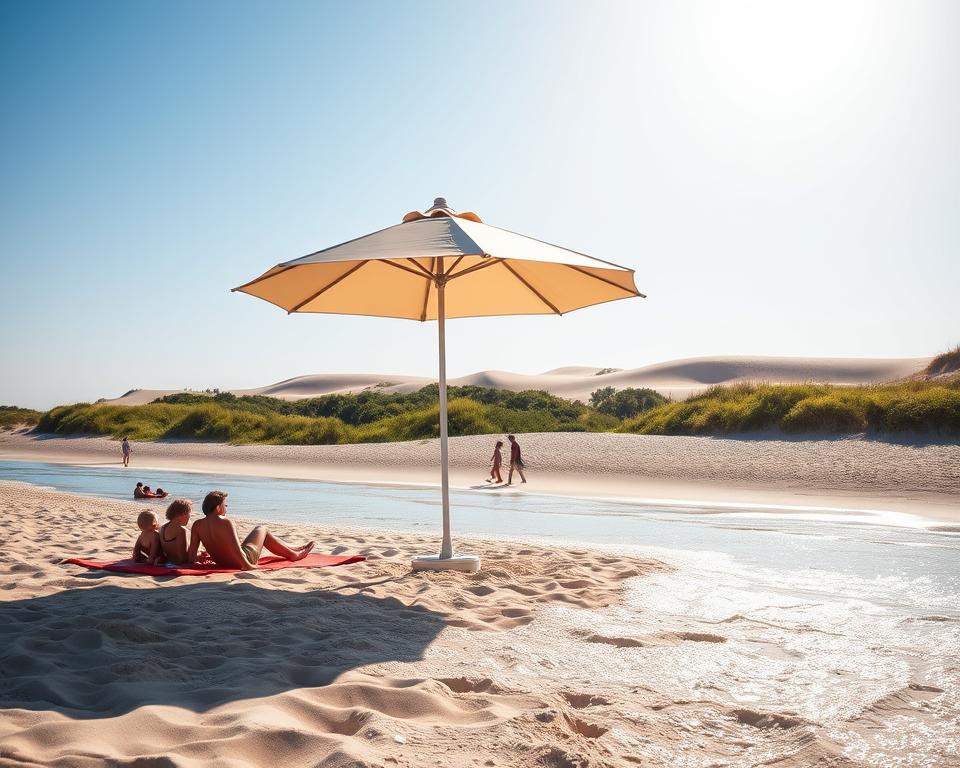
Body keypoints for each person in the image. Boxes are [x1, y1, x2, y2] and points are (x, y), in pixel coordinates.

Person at [188, 490, 314, 570]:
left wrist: (200, 557)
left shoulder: (197, 525)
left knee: (257, 533)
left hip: (222, 563)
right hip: (244, 560)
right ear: (218, 508)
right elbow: (237, 550)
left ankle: (293, 548)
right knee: (262, 528)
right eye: (225, 505)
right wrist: (249, 566)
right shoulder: (225, 522)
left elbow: (192, 555)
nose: (226, 508)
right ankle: (293, 554)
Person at [159, 499, 191, 565]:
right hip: (179, 563)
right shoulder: (182, 531)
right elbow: (183, 557)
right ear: (181, 515)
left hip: (168, 560)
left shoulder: (162, 528)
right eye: (189, 514)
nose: (189, 516)